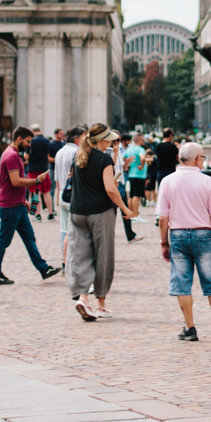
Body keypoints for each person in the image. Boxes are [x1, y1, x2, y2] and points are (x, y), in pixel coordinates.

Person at [157, 141, 211, 341]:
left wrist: (163, 243)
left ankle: (190, 328)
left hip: (178, 235)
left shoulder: (167, 181)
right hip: (203, 234)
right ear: (198, 159)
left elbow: (163, 219)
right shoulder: (207, 181)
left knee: (181, 282)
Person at [66, 123, 134, 320]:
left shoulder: (79, 156)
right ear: (102, 140)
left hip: (77, 211)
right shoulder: (103, 159)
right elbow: (111, 189)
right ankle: (101, 305)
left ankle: (83, 297)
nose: (112, 143)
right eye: (110, 139)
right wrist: (125, 208)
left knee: (81, 254)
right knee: (103, 255)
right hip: (100, 212)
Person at [0, 127, 62, 286]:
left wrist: (24, 200)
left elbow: (14, 183)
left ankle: (43, 269)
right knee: (4, 240)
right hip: (10, 206)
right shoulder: (11, 156)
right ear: (19, 139)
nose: (29, 145)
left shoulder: (14, 154)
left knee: (29, 238)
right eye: (28, 141)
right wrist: (37, 180)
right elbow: (16, 181)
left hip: (17, 204)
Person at [54, 125, 85, 262]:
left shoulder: (59, 152)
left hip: (63, 193)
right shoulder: (78, 152)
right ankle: (72, 258)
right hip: (75, 195)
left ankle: (64, 255)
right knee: (76, 229)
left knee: (64, 229)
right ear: (77, 139)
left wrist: (57, 196)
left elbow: (57, 179)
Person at [26, 125, 56, 220]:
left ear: (32, 131)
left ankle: (37, 214)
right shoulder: (47, 140)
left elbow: (26, 156)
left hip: (33, 169)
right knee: (46, 191)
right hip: (44, 169)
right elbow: (47, 156)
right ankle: (51, 213)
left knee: (35, 192)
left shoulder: (31, 141)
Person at [123, 132, 148, 219]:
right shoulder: (140, 149)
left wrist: (127, 164)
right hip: (139, 175)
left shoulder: (129, 149)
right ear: (140, 140)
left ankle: (131, 214)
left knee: (131, 195)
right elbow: (143, 157)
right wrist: (142, 165)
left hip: (131, 174)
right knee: (136, 196)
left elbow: (123, 157)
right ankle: (136, 215)